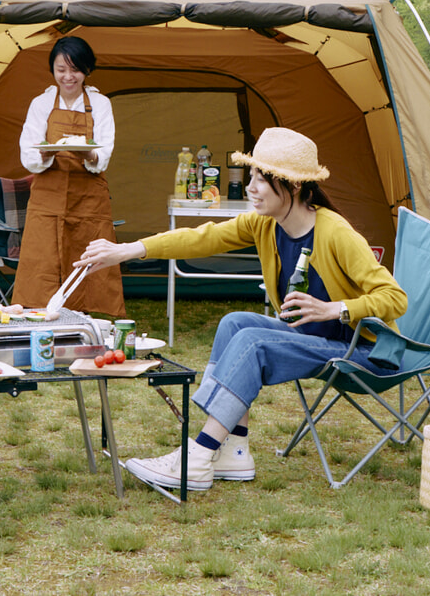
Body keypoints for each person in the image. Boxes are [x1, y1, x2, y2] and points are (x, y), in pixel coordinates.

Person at [76, 127, 406, 491]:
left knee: (254, 343)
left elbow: (395, 297)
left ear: (293, 186)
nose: (250, 187)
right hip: (314, 338)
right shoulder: (265, 223)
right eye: (251, 176)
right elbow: (203, 237)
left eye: (260, 180)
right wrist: (128, 250)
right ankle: (234, 451)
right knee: (236, 323)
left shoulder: (335, 232)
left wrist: (334, 309)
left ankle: (198, 456)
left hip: (363, 350)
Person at [12, 36, 125, 317]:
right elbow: (28, 153)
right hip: (47, 197)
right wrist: (47, 154)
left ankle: (87, 322)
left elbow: (104, 152)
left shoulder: (99, 104)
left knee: (89, 262)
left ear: (87, 70)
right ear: (52, 70)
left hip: (89, 197)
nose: (68, 76)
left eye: (74, 69)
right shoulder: (41, 103)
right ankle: (38, 320)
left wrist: (87, 155)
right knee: (42, 262)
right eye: (61, 69)